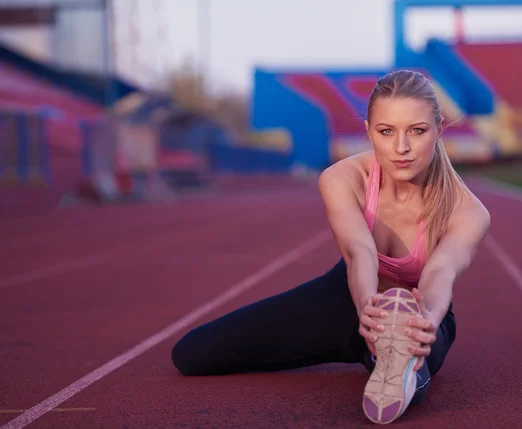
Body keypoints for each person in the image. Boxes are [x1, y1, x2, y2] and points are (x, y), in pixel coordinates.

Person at [171, 69, 491, 424]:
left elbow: (440, 270)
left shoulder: (467, 211)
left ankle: (396, 364)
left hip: (421, 315)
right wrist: (368, 309)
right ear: (369, 130)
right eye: (387, 132)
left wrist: (428, 319)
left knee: (414, 359)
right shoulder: (342, 179)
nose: (402, 147)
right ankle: (376, 352)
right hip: (347, 300)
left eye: (417, 131)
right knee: (193, 355)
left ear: (439, 130)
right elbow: (359, 252)